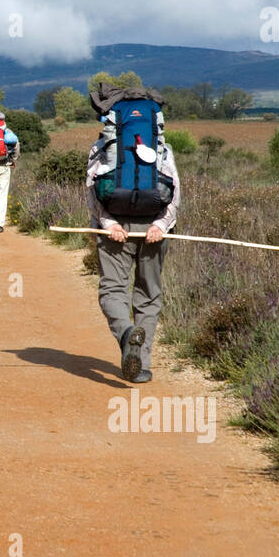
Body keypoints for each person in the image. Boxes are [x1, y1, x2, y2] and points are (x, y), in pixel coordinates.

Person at [84, 84, 180, 384]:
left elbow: (91, 189)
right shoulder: (162, 148)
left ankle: (127, 335)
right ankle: (144, 363)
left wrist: (108, 223)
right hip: (153, 227)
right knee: (148, 294)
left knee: (113, 289)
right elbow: (175, 191)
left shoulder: (102, 148)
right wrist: (160, 226)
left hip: (115, 229)